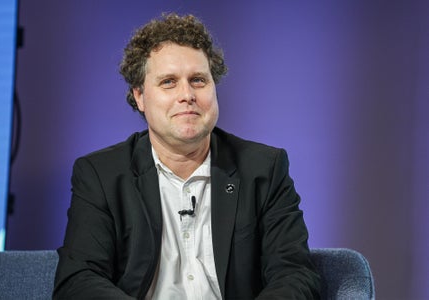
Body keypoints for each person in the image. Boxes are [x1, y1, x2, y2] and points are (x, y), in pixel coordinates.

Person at [53, 13, 321, 299]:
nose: (187, 95)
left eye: (198, 80)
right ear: (140, 96)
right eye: (169, 82)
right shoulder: (101, 175)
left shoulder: (264, 170)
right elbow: (78, 281)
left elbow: (295, 274)